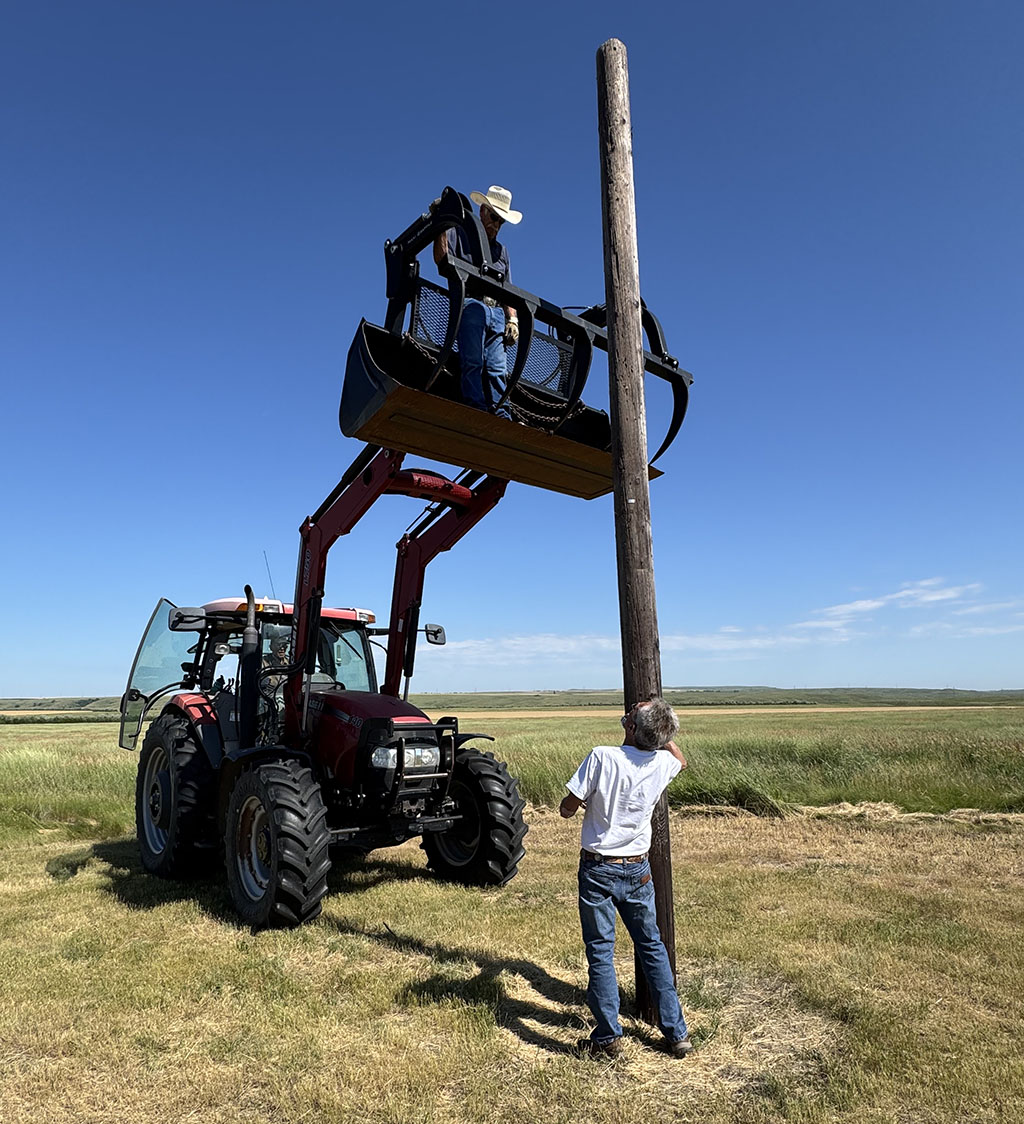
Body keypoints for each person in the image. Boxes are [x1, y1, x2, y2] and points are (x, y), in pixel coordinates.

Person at [560, 697, 693, 1060]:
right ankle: (677, 1033)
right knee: (651, 946)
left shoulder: (601, 756)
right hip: (638, 868)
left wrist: (579, 804)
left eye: (636, 712)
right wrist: (660, 729)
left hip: (598, 868)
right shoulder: (662, 762)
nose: (632, 709)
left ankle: (608, 1037)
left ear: (631, 728)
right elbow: (681, 759)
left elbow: (566, 809)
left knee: (601, 951)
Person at [433, 185, 522, 417]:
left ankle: (502, 414)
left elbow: (507, 289)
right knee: (473, 361)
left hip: (496, 312)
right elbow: (441, 259)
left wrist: (512, 320)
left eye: (501, 222)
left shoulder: (501, 251)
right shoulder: (459, 233)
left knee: (498, 368)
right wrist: (440, 224)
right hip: (471, 304)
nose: (496, 225)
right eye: (494, 217)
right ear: (482, 211)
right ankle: (476, 408)